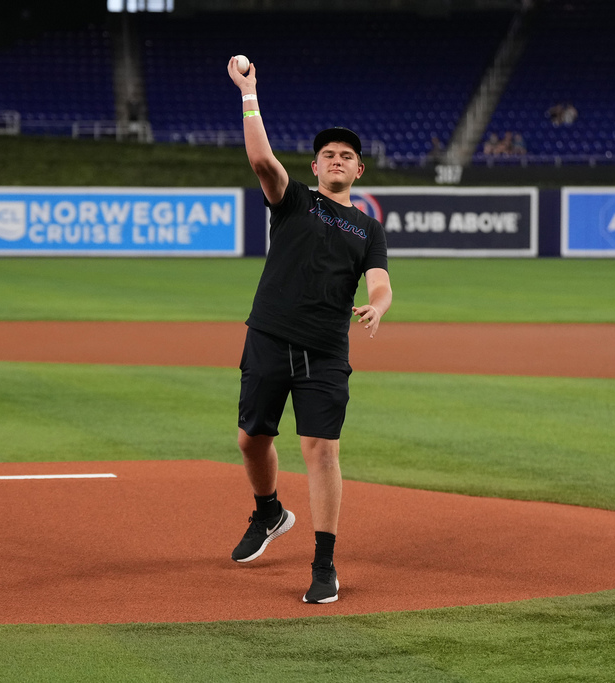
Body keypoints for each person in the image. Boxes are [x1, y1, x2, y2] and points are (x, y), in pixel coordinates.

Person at [226, 56, 393, 605]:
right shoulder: (294, 200)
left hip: (324, 349)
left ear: (358, 171)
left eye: (347, 156)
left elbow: (380, 282)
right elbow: (259, 157)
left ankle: (325, 564)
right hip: (270, 335)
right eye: (329, 155)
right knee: (252, 440)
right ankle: (270, 511)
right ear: (316, 166)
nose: (337, 160)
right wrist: (249, 93)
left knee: (321, 449)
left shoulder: (367, 228)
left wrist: (378, 305)